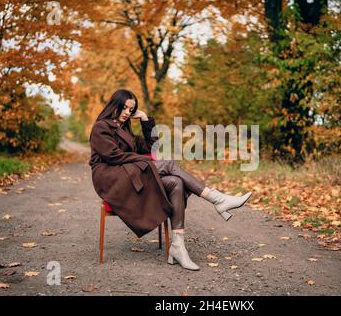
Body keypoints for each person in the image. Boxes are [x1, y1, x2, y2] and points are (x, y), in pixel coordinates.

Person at [89, 89, 252, 271]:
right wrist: (150, 162)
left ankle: (178, 246)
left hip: (129, 173)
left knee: (176, 182)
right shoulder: (101, 127)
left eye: (131, 109)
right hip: (112, 179)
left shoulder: (124, 129)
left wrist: (144, 119)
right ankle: (218, 199)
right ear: (115, 105)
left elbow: (153, 147)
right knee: (167, 164)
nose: (127, 113)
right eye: (124, 108)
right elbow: (114, 156)